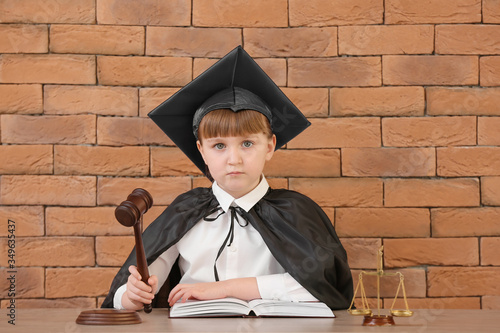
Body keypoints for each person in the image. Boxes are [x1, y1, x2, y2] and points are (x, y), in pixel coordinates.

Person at [101, 46, 353, 311]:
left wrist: (224, 289)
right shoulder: (185, 211)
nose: (234, 159)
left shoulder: (298, 212)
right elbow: (140, 286)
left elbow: (324, 288)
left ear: (269, 147)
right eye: (219, 146)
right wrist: (132, 296)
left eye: (247, 143)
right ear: (201, 151)